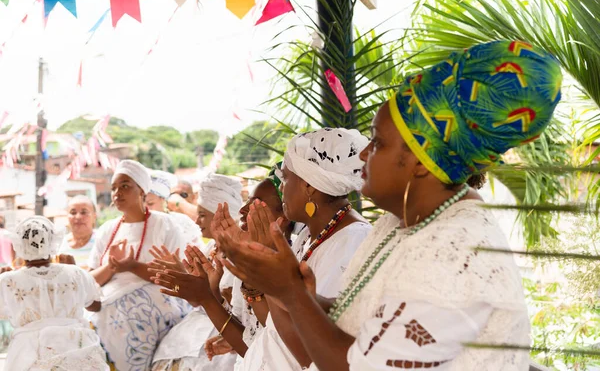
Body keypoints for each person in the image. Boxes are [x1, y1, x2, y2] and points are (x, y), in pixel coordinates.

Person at [214, 40, 563, 370]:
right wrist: (295, 289)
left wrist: (288, 291)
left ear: (420, 163)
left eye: (378, 143)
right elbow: (376, 321)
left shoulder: (457, 253)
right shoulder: (402, 223)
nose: (364, 154)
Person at [213, 128, 372, 371]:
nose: (282, 188)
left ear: (309, 186)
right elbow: (274, 325)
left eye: (286, 179)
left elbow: (309, 348)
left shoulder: (351, 241)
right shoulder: (309, 234)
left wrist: (264, 263)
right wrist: (256, 255)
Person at [87, 160, 191, 371]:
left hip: (158, 299)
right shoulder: (107, 229)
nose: (117, 193)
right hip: (108, 300)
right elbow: (90, 281)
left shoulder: (165, 224)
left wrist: (133, 266)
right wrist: (112, 267)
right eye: (114, 188)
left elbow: (177, 277)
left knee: (128, 321)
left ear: (143, 190)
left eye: (125, 185)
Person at [151, 173, 244, 371]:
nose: (197, 221)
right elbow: (197, 301)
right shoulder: (209, 248)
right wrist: (181, 277)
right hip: (197, 323)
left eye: (202, 215)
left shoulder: (241, 256)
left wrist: (200, 288)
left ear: (222, 215)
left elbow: (239, 314)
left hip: (226, 331)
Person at [0, 216, 108, 371]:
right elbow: (95, 306)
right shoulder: (75, 272)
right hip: (78, 350)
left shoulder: (7, 280)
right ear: (52, 242)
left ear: (18, 245)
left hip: (30, 354)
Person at [146, 169, 202, 244]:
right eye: (141, 203)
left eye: (150, 203)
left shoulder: (182, 222)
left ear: (163, 199)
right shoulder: (134, 223)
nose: (145, 208)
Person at [59, 195, 98, 270]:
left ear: (94, 216)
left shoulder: (102, 240)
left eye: (84, 212)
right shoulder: (59, 245)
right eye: (73, 212)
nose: (78, 217)